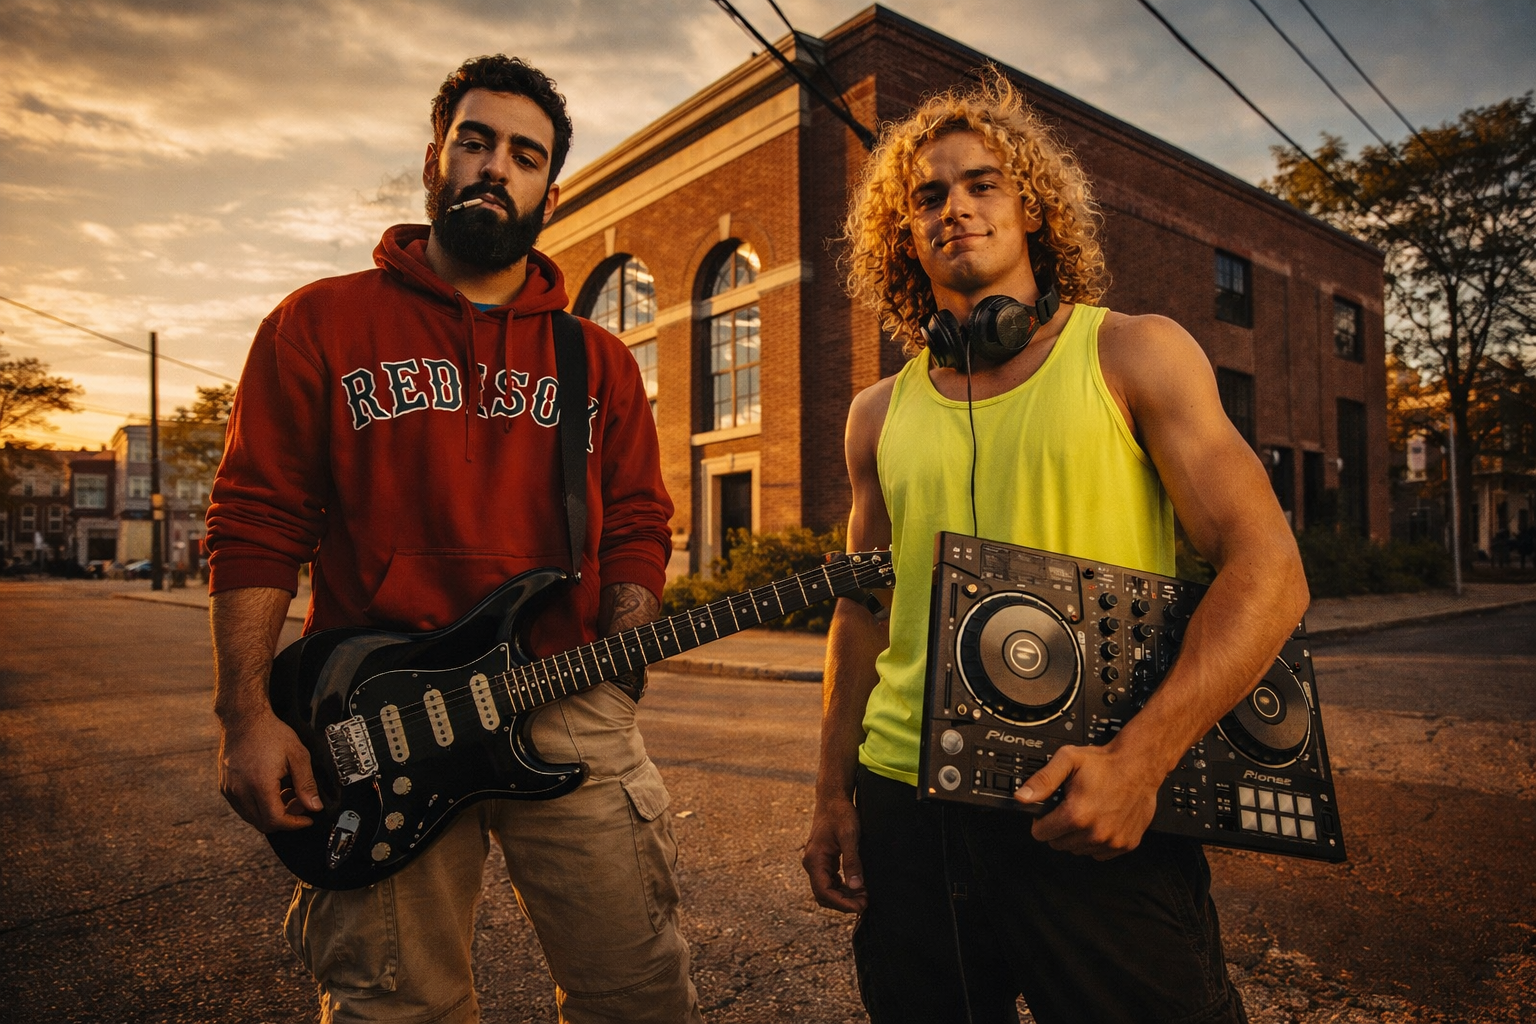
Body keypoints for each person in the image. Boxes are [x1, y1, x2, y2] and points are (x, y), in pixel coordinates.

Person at [801, 72, 1310, 1024]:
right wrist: (834, 795)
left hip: (1087, 800)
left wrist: (1142, 763)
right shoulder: (875, 414)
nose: (955, 206)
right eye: (928, 197)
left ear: (1031, 205)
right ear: (904, 234)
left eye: (981, 183)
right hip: (906, 814)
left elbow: (1269, 569)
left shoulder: (1133, 353)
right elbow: (861, 611)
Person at [207, 56, 701, 1024]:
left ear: (550, 190)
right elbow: (257, 517)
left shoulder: (593, 356)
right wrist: (246, 713)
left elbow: (641, 517)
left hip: (562, 700)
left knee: (637, 994)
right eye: (475, 141)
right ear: (436, 156)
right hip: (375, 714)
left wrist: (625, 635)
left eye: (525, 154)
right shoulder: (319, 321)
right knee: (400, 1007)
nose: (495, 166)